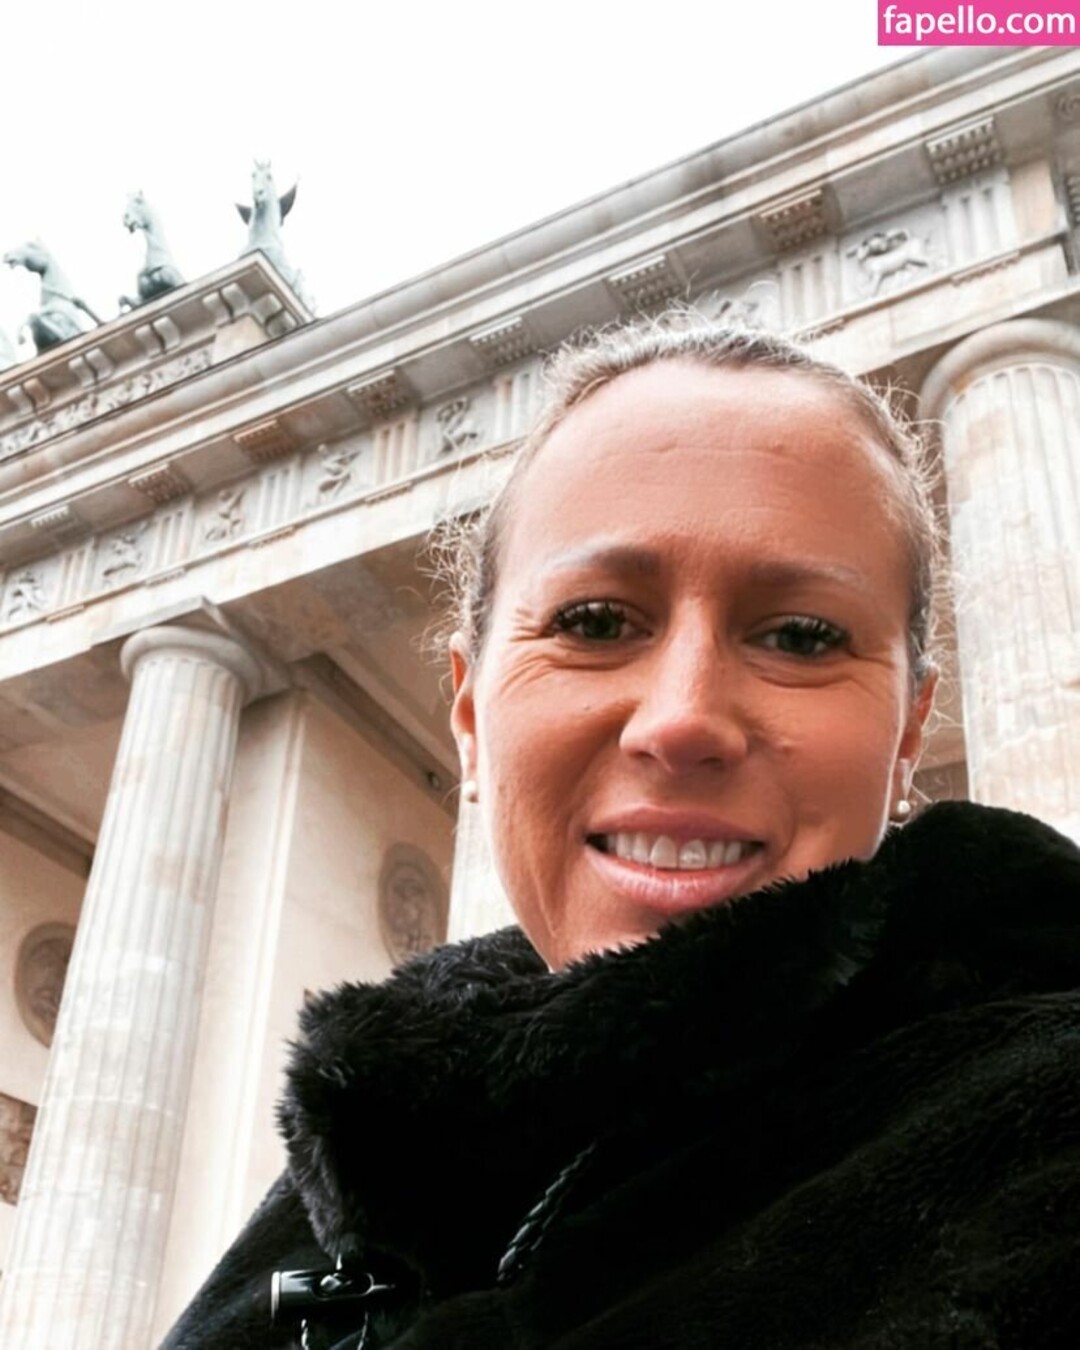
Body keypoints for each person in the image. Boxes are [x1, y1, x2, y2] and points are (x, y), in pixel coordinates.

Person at [163, 317, 1080, 1350]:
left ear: (908, 730)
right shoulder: (365, 1155)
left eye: (800, 636)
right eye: (595, 622)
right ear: (470, 719)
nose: (682, 719)